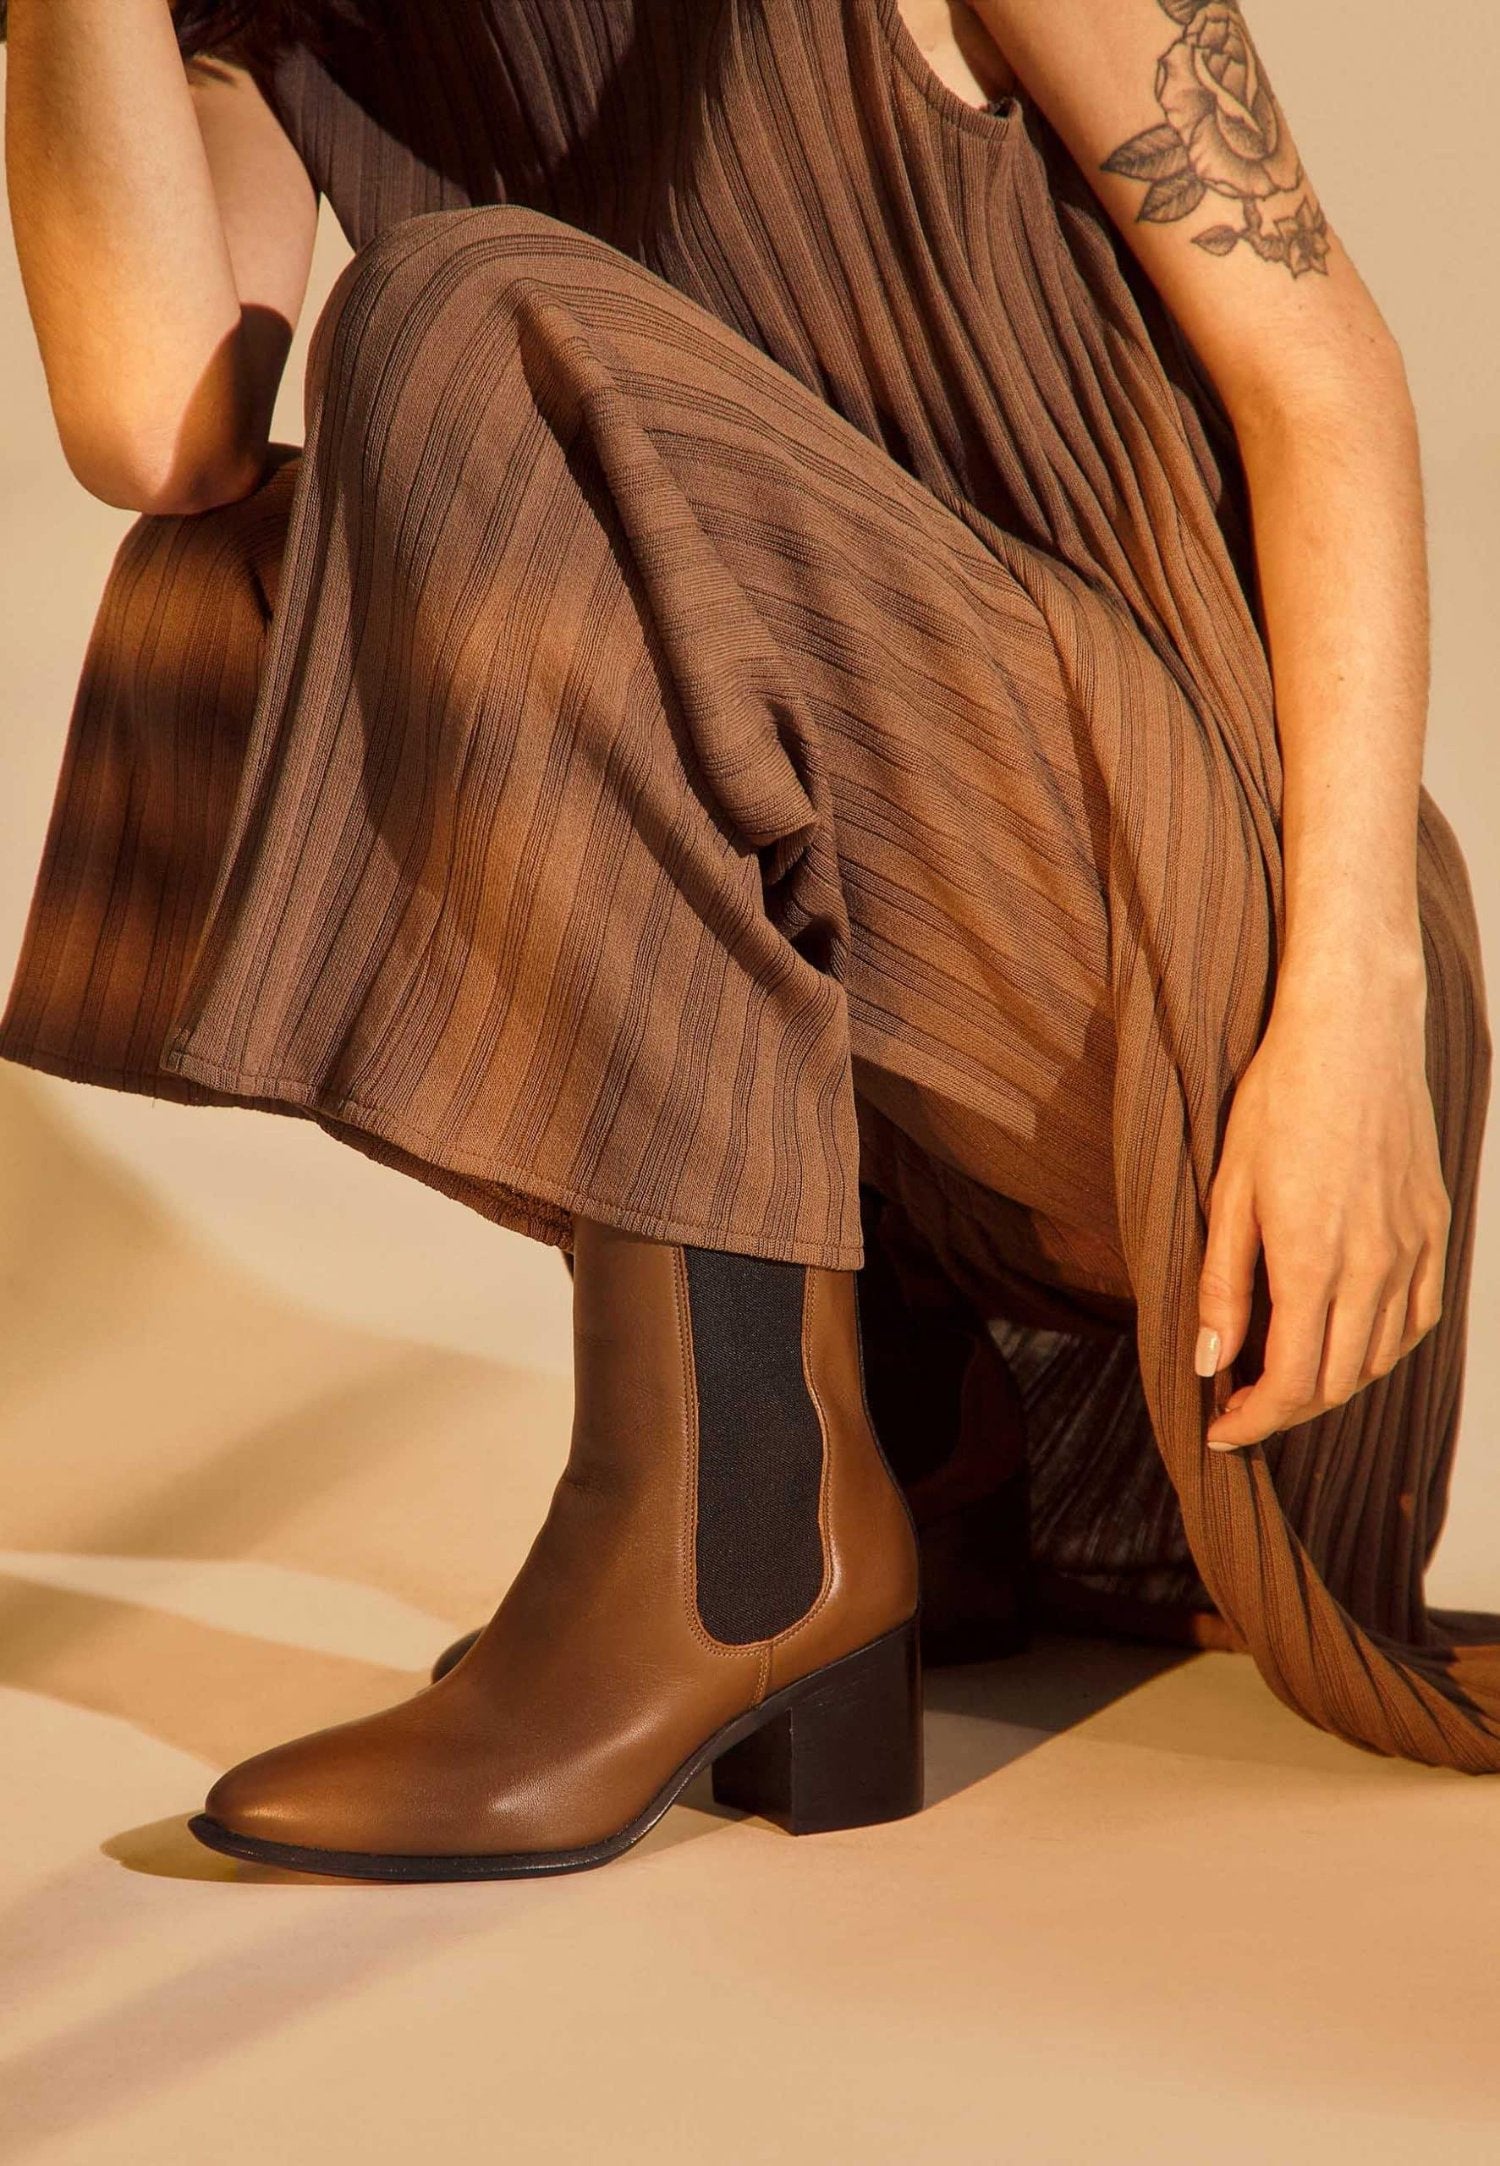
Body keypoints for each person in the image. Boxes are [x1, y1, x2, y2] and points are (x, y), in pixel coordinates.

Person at [1, 0, 1494, 1882]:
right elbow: (158, 424)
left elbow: (1321, 371)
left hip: (1231, 957)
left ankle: (735, 1544)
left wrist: (1353, 1009)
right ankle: (887, 1429)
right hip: (961, 1040)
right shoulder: (293, 24)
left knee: (459, 321)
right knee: (259, 572)